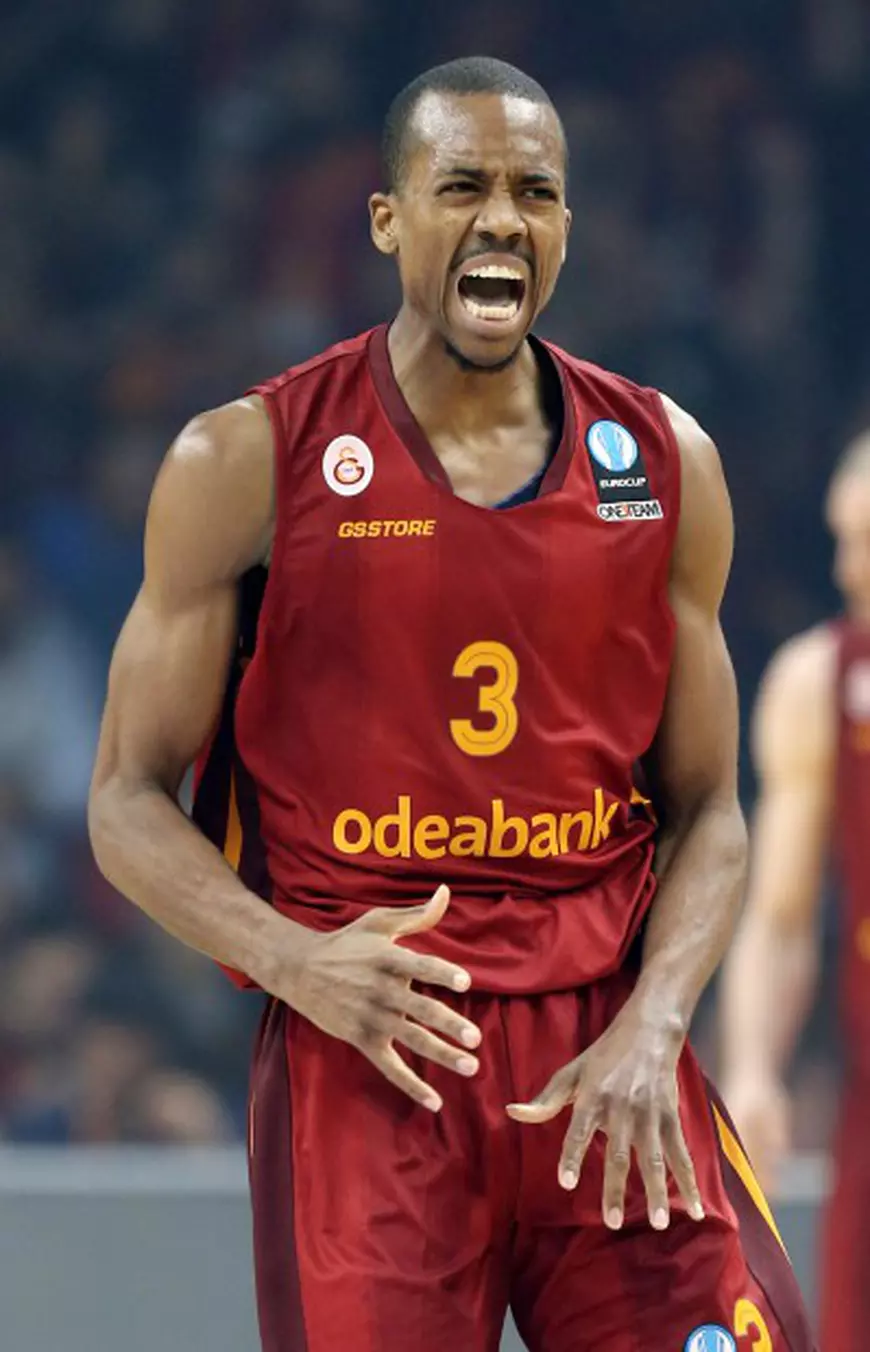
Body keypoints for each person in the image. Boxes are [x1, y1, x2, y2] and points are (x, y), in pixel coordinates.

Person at [88, 56, 814, 1352]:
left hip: (607, 1052)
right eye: (462, 186)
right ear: (387, 218)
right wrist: (290, 959)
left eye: (533, 193)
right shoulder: (247, 461)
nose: (499, 220)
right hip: (371, 1053)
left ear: (566, 229)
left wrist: (658, 1020)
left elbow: (708, 808)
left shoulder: (660, 462)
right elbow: (124, 804)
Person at [721, 432, 870, 1352]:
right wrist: (753, 1069)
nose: (850, 573)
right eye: (844, 544)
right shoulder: (821, 682)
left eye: (869, 546)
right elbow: (779, 924)